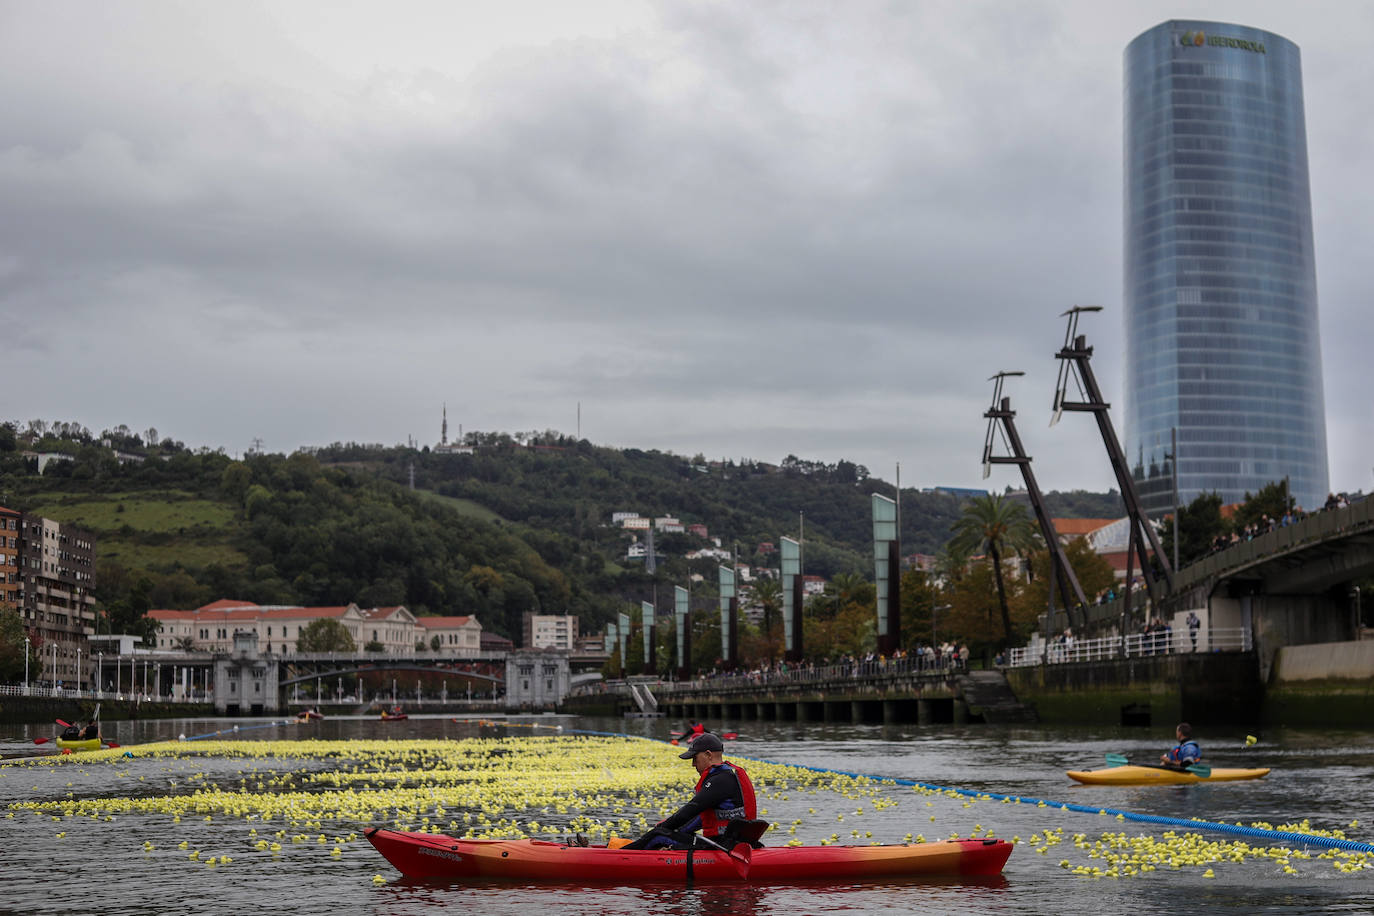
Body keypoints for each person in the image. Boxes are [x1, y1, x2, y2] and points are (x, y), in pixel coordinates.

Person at [624, 732, 757, 849]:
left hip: (724, 847)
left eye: (695, 758)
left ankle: (621, 855)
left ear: (708, 755)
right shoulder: (728, 776)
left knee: (657, 836)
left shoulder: (719, 781)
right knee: (666, 832)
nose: (693, 764)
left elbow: (686, 813)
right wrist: (671, 830)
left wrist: (660, 829)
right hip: (733, 843)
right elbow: (697, 819)